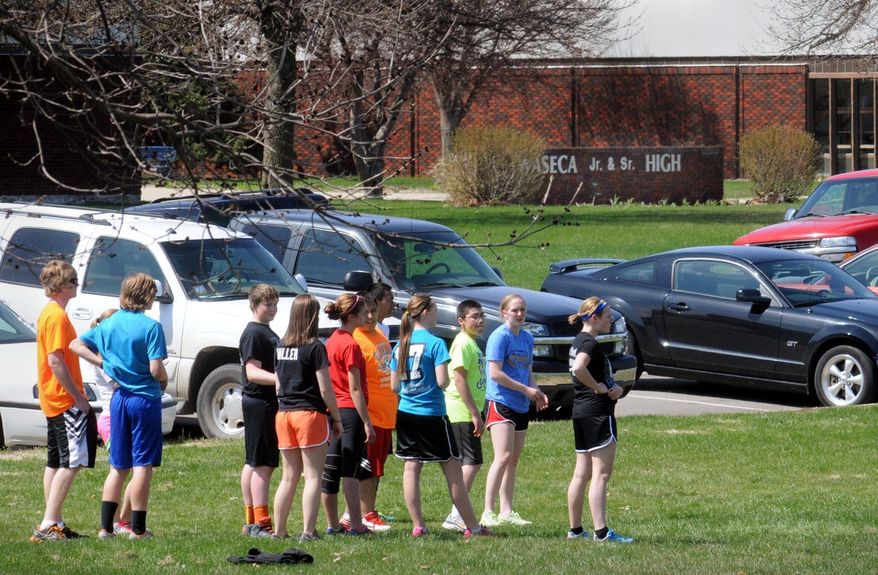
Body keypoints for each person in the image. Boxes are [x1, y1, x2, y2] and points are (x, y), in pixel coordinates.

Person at [71, 272, 168, 540]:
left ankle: (106, 528)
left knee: (118, 466)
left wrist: (103, 363)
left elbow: (75, 344)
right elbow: (155, 368)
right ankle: (137, 528)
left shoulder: (109, 323)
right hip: (145, 400)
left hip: (119, 399)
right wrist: (164, 377)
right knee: (143, 465)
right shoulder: (151, 327)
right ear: (147, 296)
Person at [391, 294, 491, 539]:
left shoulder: (400, 344)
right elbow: (442, 381)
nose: (436, 314)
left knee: (411, 468)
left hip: (406, 413)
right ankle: (473, 527)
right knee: (454, 471)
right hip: (432, 414)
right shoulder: (435, 344)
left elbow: (394, 385)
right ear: (425, 312)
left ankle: (418, 525)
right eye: (435, 310)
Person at [30, 261, 97, 542]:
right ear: (60, 286)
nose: (76, 285)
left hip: (53, 398)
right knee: (74, 461)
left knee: (57, 461)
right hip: (63, 399)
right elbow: (56, 361)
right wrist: (78, 397)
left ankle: (54, 521)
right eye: (72, 282)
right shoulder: (56, 316)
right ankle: (48, 524)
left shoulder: (51, 313)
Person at [272, 294, 343, 541]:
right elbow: (325, 389)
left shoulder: (281, 346)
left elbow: (278, 387)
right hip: (309, 414)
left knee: (288, 476)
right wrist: (337, 418)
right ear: (312, 316)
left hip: (283, 414)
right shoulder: (315, 347)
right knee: (313, 475)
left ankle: (279, 531)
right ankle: (308, 531)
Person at [566, 297, 633, 543]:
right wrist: (600, 388)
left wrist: (610, 388)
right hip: (596, 413)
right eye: (607, 317)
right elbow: (579, 369)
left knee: (580, 474)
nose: (610, 321)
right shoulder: (590, 344)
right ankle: (602, 533)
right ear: (594, 318)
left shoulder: (577, 341)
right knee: (601, 475)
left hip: (581, 412)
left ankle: (575, 530)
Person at [481, 294, 548, 528]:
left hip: (521, 403)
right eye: (514, 310)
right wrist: (525, 390)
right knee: (502, 456)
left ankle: (507, 511)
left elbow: (528, 372)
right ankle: (488, 511)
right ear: (504, 313)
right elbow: (495, 373)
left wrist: (537, 392)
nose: (519, 314)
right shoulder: (499, 337)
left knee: (513, 460)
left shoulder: (527, 338)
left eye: (522, 310)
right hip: (501, 401)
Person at [321, 293, 375, 535]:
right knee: (350, 471)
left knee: (330, 470)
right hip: (350, 412)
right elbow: (354, 388)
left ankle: (332, 525)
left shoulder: (332, 340)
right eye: (364, 313)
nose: (368, 317)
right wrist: (367, 422)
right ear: (351, 316)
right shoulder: (350, 344)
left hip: (333, 411)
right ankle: (356, 524)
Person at [346, 294, 396, 532]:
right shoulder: (355, 340)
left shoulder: (381, 336)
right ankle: (366, 514)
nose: (369, 317)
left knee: (378, 466)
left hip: (386, 413)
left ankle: (362, 511)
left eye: (373, 311)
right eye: (365, 312)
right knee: (367, 467)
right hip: (370, 413)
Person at [239, 284, 281, 537]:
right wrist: (280, 379)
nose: (274, 309)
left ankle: (251, 520)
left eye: (275, 304)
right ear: (255, 305)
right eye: (269, 304)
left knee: (253, 462)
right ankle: (261, 522)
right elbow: (252, 372)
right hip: (260, 402)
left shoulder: (266, 332)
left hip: (262, 402)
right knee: (263, 464)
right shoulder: (254, 334)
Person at [441, 300, 487, 531]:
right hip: (461, 411)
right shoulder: (462, 344)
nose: (479, 321)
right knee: (471, 462)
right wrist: (474, 413)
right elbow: (458, 379)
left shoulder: (471, 343)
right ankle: (456, 514)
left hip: (469, 411)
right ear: (461, 321)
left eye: (481, 316)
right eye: (474, 317)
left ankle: (458, 513)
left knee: (471, 462)